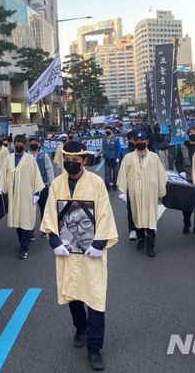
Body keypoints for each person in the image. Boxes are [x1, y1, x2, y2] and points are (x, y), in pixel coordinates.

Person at [41, 141, 118, 371]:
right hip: (67, 250)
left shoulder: (96, 183)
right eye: (67, 159)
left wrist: (100, 242)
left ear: (84, 160)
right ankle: (80, 326)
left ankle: (94, 348)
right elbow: (50, 214)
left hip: (91, 250)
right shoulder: (57, 184)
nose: (71, 163)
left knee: (94, 296)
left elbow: (104, 213)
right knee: (72, 292)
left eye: (76, 160)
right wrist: (54, 240)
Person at [118, 131, 167, 257]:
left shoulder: (154, 157)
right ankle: (141, 239)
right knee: (137, 216)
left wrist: (162, 192)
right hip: (134, 193)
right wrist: (123, 191)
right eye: (137, 141)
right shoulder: (128, 157)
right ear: (134, 142)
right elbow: (123, 174)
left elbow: (161, 174)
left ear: (147, 141)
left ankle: (150, 246)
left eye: (142, 140)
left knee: (150, 218)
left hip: (150, 193)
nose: (140, 143)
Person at [0, 135, 45, 259]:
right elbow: (3, 173)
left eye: (21, 143)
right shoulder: (9, 158)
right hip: (13, 195)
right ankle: (22, 240)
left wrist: (36, 192)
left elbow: (36, 176)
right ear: (14, 144)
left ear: (25, 145)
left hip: (26, 194)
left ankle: (24, 248)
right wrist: (0, 187)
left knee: (26, 219)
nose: (18, 145)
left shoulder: (30, 159)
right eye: (16, 143)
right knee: (17, 222)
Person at [174, 127, 195, 236]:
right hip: (187, 180)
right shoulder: (182, 147)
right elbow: (177, 162)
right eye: (191, 132)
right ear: (188, 135)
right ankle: (186, 223)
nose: (193, 134)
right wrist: (181, 171)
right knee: (186, 205)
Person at [28, 136, 54, 237]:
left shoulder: (44, 156)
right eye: (31, 143)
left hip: (43, 186)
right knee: (30, 209)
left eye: (35, 143)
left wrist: (50, 183)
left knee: (44, 208)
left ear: (39, 144)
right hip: (30, 187)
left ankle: (44, 229)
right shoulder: (26, 156)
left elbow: (49, 169)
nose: (33, 144)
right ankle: (30, 230)